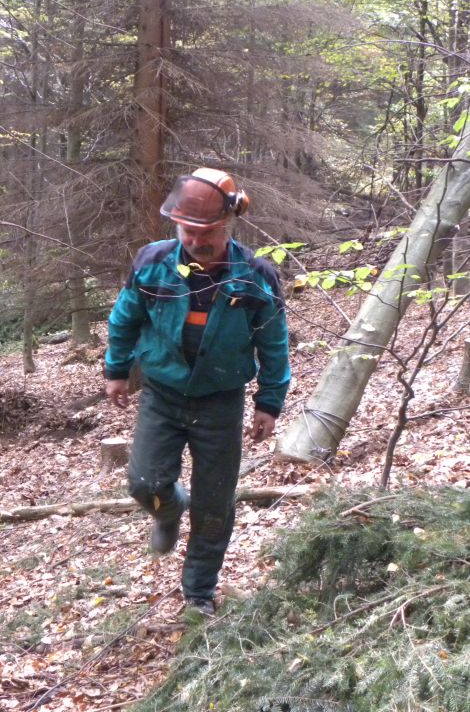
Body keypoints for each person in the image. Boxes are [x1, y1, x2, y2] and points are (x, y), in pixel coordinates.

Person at [104, 168, 290, 617]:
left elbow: (274, 343)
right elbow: (125, 318)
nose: (194, 241)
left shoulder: (256, 277)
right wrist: (116, 369)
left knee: (214, 503)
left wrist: (269, 402)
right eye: (187, 231)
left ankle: (199, 593)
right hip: (162, 393)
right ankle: (169, 510)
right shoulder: (152, 262)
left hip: (221, 400)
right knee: (145, 484)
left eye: (206, 232)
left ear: (228, 224)